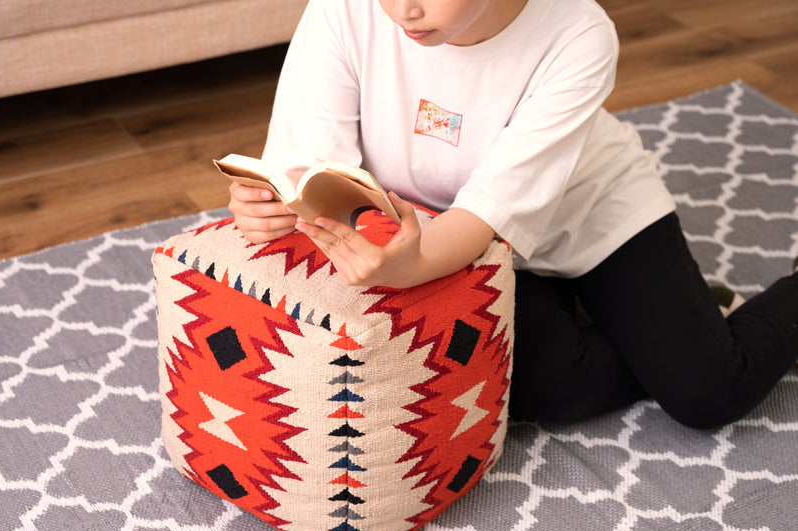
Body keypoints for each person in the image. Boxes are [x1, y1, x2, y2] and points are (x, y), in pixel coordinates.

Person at [228, 0, 798, 429]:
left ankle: (697, 324)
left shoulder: (578, 31)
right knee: (527, 390)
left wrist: (409, 266)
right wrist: (267, 206)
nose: (403, 9)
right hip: (437, 230)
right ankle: (656, 329)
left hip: (588, 217)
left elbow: (482, 214)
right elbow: (313, 173)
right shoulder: (344, 8)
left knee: (708, 392)